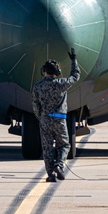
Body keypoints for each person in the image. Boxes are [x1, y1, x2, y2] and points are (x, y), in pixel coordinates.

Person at [31, 48, 80, 182]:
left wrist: (40, 117)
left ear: (44, 71)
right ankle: (59, 165)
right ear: (56, 72)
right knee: (64, 145)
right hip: (59, 119)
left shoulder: (38, 86)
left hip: (45, 120)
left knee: (47, 148)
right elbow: (75, 76)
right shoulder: (61, 84)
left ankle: (50, 175)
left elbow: (35, 105)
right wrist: (74, 60)